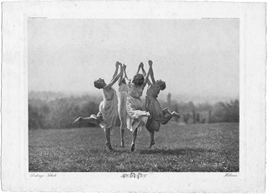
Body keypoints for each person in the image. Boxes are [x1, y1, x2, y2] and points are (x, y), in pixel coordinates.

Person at [74, 62, 123, 150]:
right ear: (100, 83)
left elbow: (113, 78)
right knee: (107, 126)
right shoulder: (106, 87)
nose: (101, 78)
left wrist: (116, 68)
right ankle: (108, 143)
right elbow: (115, 79)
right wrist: (121, 69)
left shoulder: (106, 87)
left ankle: (82, 119)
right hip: (108, 108)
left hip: (105, 106)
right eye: (100, 79)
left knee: (98, 120)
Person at [142, 60, 180, 149]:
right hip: (149, 103)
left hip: (153, 104)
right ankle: (152, 140)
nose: (159, 80)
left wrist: (150, 66)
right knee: (151, 122)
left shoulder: (156, 86)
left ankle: (172, 113)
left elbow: (151, 75)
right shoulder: (152, 85)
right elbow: (146, 77)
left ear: (160, 85)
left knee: (161, 120)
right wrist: (143, 68)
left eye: (160, 81)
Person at [126, 63, 151, 152]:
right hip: (139, 102)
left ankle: (133, 142)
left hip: (131, 102)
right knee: (136, 124)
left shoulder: (131, 85)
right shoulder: (142, 86)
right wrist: (148, 67)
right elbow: (147, 77)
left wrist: (138, 67)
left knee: (133, 116)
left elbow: (133, 77)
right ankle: (133, 142)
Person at [117, 64, 130, 148]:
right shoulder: (120, 84)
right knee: (122, 122)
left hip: (127, 103)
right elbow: (121, 76)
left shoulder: (127, 85)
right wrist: (121, 69)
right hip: (122, 104)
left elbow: (126, 76)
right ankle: (122, 140)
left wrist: (124, 69)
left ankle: (132, 141)